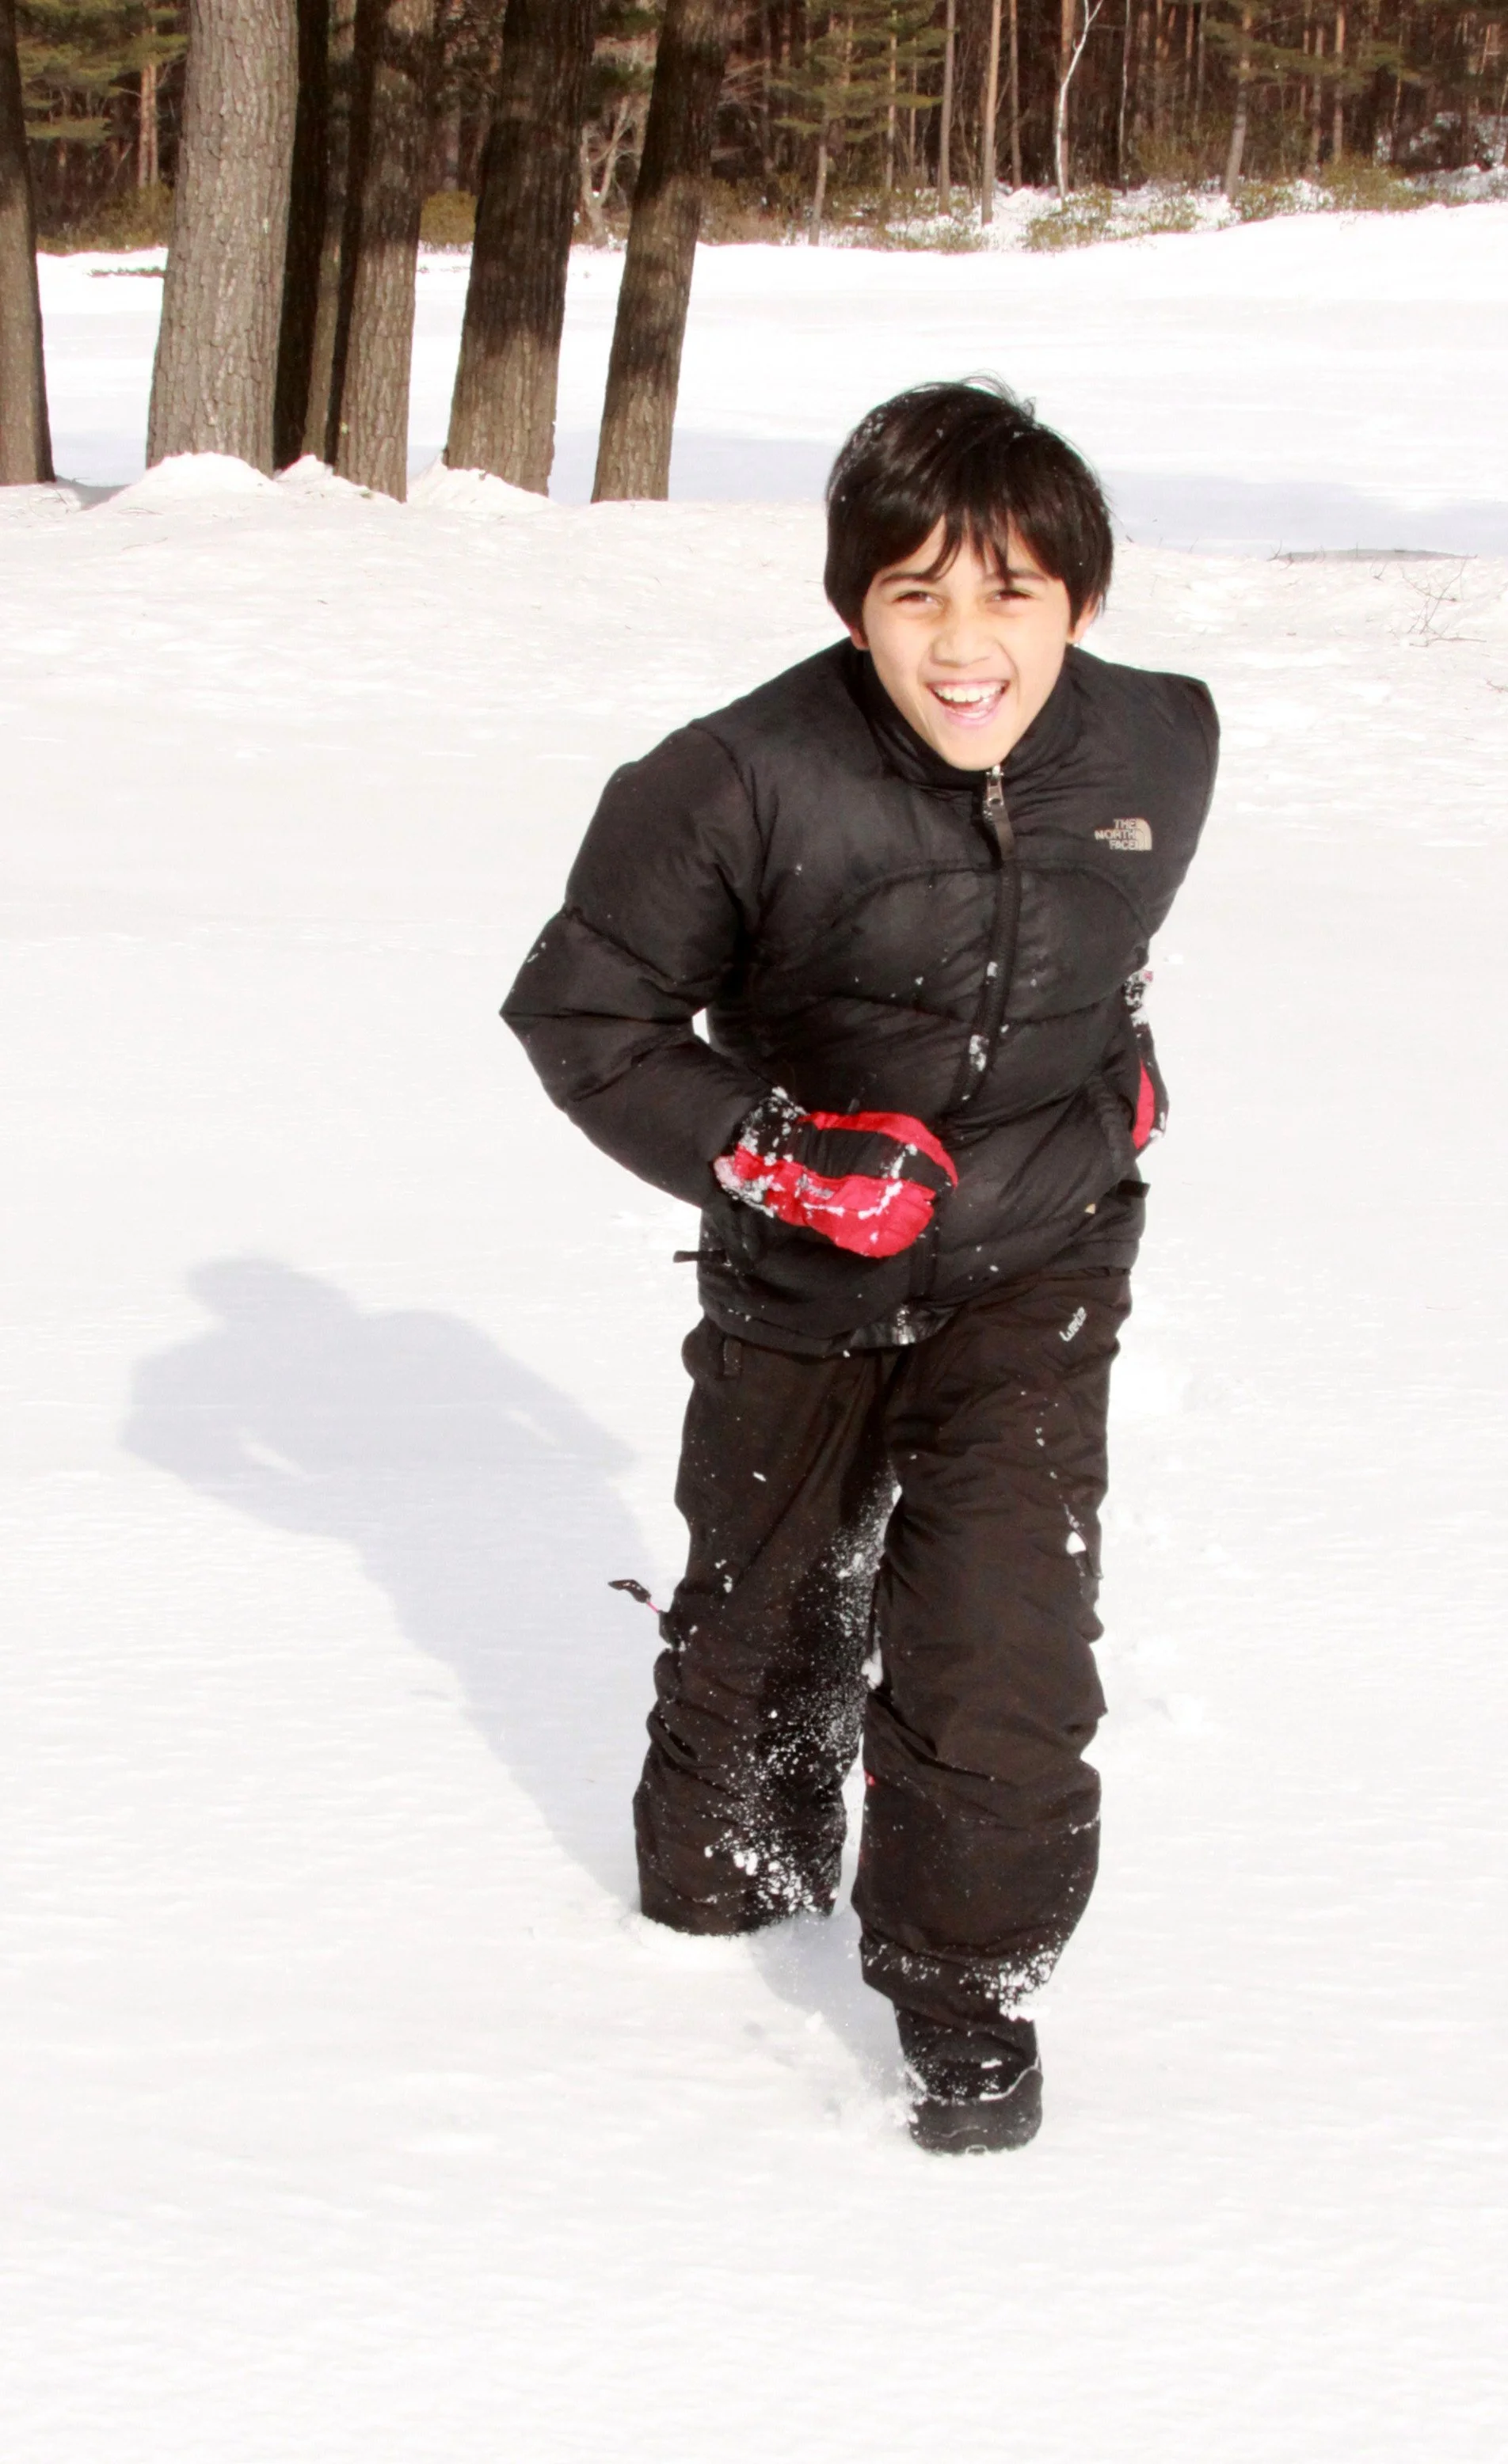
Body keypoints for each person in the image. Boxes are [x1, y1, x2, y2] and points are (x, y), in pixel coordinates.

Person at [503, 378, 1218, 2154]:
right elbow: (583, 1017)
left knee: (1002, 1639)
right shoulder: (731, 781)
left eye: (1011, 594)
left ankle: (969, 2000)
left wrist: (1108, 1068)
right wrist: (778, 1155)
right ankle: (720, 1924)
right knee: (768, 1621)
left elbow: (1098, 935)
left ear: (1080, 599)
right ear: (854, 605)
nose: (966, 647)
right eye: (917, 595)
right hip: (802, 1289)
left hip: (1040, 1264)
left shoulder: (1160, 743)